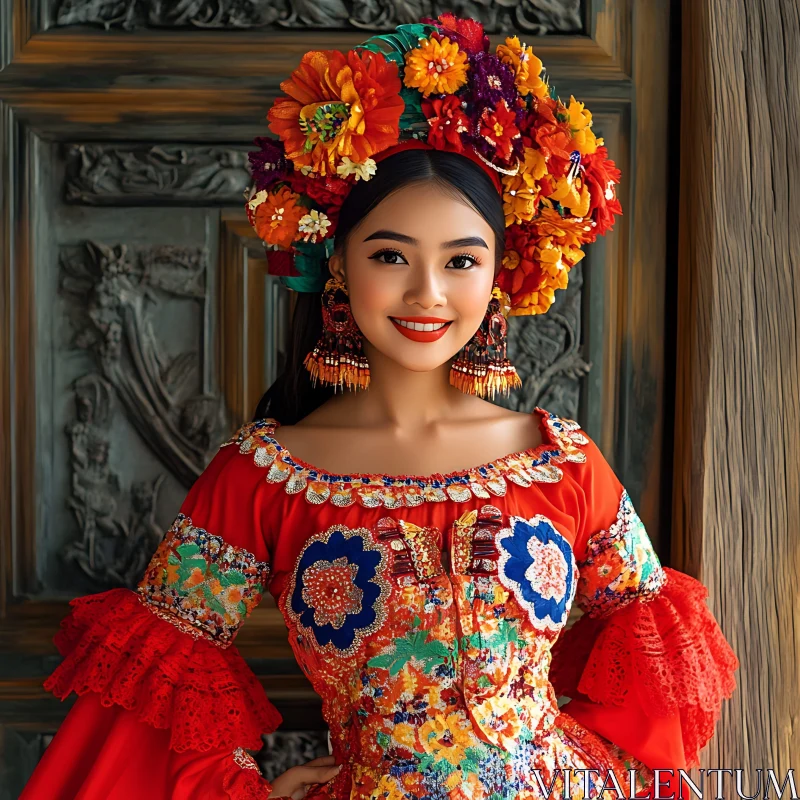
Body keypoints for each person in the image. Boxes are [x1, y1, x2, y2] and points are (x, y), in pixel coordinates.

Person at [21, 14, 739, 800]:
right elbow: (151, 708)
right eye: (391, 255)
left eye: (461, 260)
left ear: (499, 277)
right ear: (337, 265)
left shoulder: (561, 461)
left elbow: (655, 671)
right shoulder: (265, 475)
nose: (427, 294)